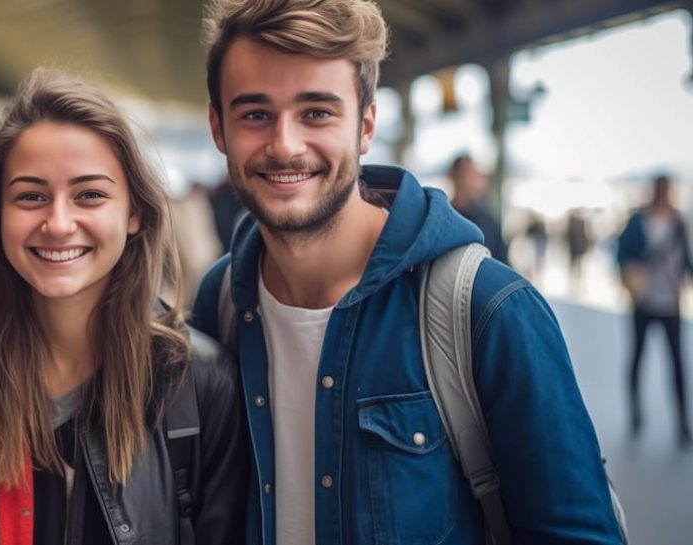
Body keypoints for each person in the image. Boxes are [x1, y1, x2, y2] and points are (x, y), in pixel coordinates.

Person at [191, 1, 624, 544]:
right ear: (218, 127)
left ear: (365, 125)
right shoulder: (222, 301)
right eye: (255, 114)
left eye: (317, 112)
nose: (285, 144)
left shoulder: (485, 309)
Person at [0, 69, 247, 545]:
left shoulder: (198, 381)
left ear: (134, 214)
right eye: (31, 196)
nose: (59, 223)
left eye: (89, 195)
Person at [616, 174, 693, 448]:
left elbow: (686, 259)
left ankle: (682, 424)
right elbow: (622, 253)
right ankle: (636, 415)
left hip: (670, 301)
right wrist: (630, 272)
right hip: (644, 300)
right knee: (638, 357)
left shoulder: (678, 223)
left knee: (677, 363)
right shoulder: (639, 221)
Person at [448, 154, 508, 263]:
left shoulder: (487, 221)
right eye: (467, 175)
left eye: (474, 175)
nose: (472, 182)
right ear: (453, 176)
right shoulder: (445, 219)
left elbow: (503, 261)